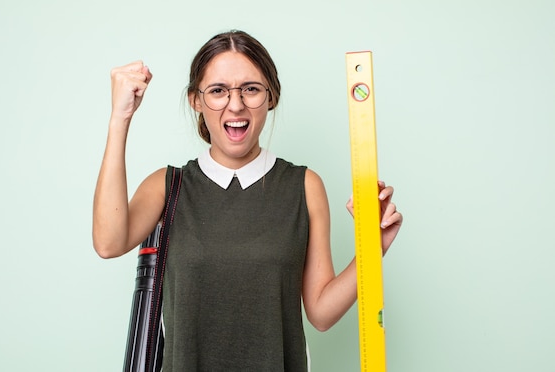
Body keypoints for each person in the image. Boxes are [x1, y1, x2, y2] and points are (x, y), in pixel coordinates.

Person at [93, 30, 403, 371]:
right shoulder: (168, 186)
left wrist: (375, 248)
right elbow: (108, 243)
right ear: (196, 100)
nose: (236, 104)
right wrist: (120, 118)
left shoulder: (304, 186)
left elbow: (321, 313)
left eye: (251, 89)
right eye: (218, 91)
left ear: (271, 97)